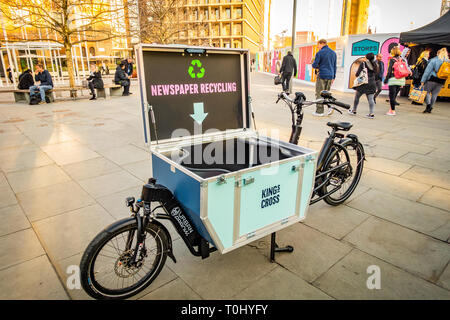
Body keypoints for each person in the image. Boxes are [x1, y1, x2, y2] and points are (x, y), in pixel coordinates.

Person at [348, 53, 379, 119]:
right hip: (372, 83)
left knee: (357, 97)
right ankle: (371, 113)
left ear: (367, 57)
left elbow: (357, 74)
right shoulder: (375, 64)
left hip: (363, 83)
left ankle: (354, 110)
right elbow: (377, 75)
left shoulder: (363, 64)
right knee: (371, 99)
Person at [312, 39, 337, 116]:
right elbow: (334, 66)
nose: (318, 47)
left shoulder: (320, 53)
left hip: (322, 75)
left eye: (318, 45)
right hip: (330, 75)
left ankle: (319, 111)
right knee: (327, 94)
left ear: (321, 43)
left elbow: (314, 65)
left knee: (320, 93)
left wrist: (313, 63)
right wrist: (333, 77)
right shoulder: (333, 53)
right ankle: (330, 106)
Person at [421, 47, 449, 113]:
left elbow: (427, 72)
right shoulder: (448, 62)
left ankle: (428, 105)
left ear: (437, 53)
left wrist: (422, 80)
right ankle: (431, 107)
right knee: (435, 94)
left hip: (432, 79)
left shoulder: (433, 60)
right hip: (441, 80)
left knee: (427, 92)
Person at [383, 47, 407, 116]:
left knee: (392, 96)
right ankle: (391, 109)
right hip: (401, 80)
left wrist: (386, 80)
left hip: (393, 79)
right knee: (395, 96)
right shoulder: (402, 60)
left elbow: (389, 71)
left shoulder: (392, 60)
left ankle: (392, 111)